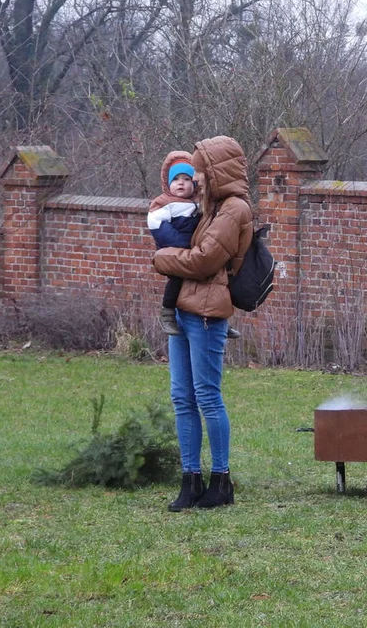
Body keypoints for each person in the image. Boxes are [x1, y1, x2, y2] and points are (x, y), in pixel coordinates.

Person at [152, 137, 254, 511]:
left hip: (208, 313)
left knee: (207, 396)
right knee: (182, 398)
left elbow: (203, 261)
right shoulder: (206, 208)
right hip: (183, 308)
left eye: (199, 170)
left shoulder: (233, 210)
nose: (193, 177)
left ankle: (221, 481)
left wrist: (162, 258)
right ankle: (190, 479)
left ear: (215, 171)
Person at [147, 153, 241, 339]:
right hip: (175, 249)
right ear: (168, 182)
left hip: (195, 249)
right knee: (176, 281)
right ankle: (167, 313)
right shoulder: (165, 203)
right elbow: (156, 223)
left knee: (215, 279)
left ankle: (220, 320)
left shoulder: (200, 201)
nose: (180, 183)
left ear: (195, 182)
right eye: (175, 179)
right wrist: (178, 243)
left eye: (186, 179)